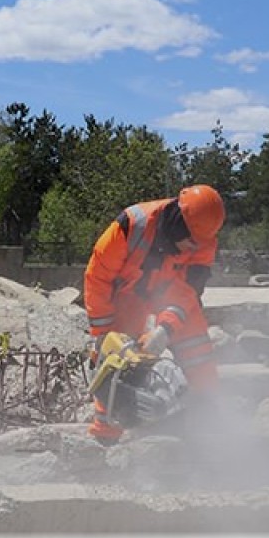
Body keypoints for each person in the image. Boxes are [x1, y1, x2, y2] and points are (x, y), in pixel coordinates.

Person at [82, 185, 226, 445]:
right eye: (191, 240)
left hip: (170, 294)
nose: (194, 247)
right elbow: (98, 276)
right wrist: (102, 333)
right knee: (115, 355)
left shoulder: (205, 238)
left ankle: (209, 426)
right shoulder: (131, 224)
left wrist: (166, 328)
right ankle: (106, 433)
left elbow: (189, 290)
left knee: (198, 350)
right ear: (178, 223)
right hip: (128, 294)